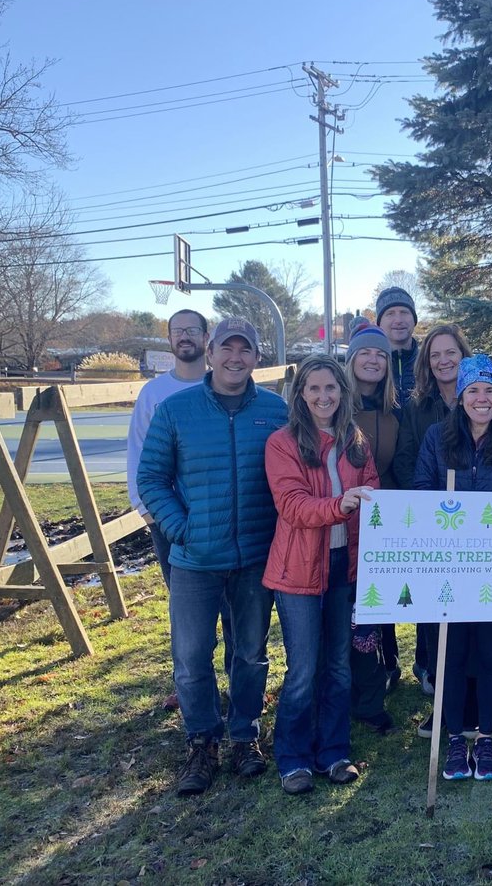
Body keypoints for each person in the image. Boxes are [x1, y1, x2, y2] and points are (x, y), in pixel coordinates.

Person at [138, 318, 287, 796]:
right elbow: (152, 480)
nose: (235, 358)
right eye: (228, 348)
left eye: (246, 350)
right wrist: (182, 529)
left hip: (255, 558)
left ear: (257, 359)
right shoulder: (175, 410)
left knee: (250, 653)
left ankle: (244, 735)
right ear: (210, 351)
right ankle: (202, 740)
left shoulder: (276, 410)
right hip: (195, 560)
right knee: (191, 656)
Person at [413, 354, 492, 782]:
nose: (481, 399)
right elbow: (423, 489)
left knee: (489, 654)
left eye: (489, 391)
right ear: (460, 397)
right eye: (473, 391)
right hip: (446, 566)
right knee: (450, 653)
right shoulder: (437, 438)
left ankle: (484, 737)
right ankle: (454, 738)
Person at [263, 355, 378, 795]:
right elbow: (291, 504)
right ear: (301, 394)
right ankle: (293, 758)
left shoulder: (355, 439)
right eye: (314, 389)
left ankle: (334, 751)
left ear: (342, 392)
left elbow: (373, 485)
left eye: (331, 388)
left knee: (339, 666)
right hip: (298, 571)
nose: (323, 396)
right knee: (303, 668)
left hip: (343, 567)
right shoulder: (283, 443)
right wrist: (341, 505)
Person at [126, 309, 231, 711]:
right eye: (177, 331)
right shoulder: (154, 394)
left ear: (206, 338)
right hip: (174, 525)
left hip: (224, 522)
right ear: (169, 339)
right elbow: (139, 459)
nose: (184, 336)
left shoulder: (223, 388)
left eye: (192, 330)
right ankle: (191, 686)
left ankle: (234, 688)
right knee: (187, 614)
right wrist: (153, 514)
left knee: (232, 613)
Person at [392, 323, 472, 708]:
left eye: (450, 353)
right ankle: (430, 664)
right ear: (427, 362)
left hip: (475, 517)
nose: (444, 361)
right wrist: (428, 503)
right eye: (435, 354)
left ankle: (487, 668)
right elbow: (407, 458)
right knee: (431, 594)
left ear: (463, 355)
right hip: (431, 515)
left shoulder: (481, 396)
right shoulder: (417, 407)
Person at [344, 325, 400, 732]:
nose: (373, 360)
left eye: (380, 355)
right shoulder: (334, 407)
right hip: (337, 520)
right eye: (365, 353)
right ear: (351, 359)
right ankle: (343, 691)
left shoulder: (393, 413)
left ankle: (375, 688)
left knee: (373, 610)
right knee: (343, 614)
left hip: (381, 524)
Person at [376, 286, 419, 407]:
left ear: (414, 319)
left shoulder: (429, 363)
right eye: (390, 314)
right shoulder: (371, 366)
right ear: (380, 323)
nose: (398, 320)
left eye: (404, 312)